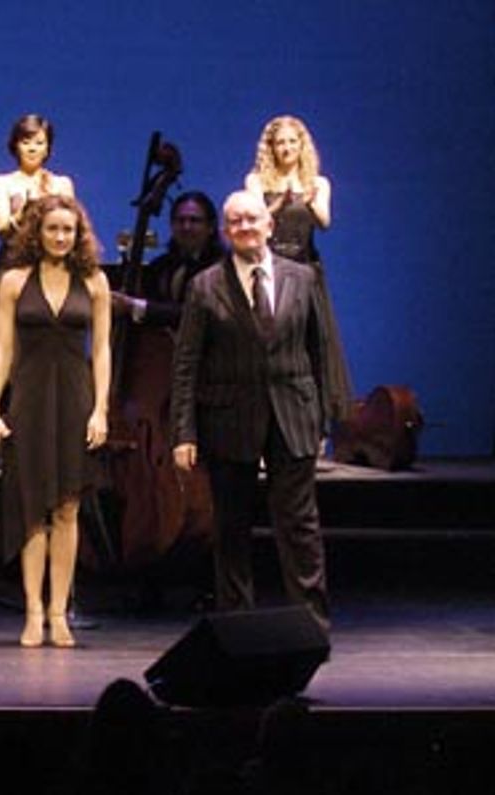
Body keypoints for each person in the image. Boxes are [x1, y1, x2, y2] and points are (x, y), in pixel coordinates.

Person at [170, 191, 331, 630]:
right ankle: (237, 629)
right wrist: (183, 432)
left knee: (300, 527)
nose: (244, 227)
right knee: (231, 530)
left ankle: (312, 627)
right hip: (229, 418)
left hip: (293, 414)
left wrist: (322, 419)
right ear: (225, 231)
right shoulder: (205, 286)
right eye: (235, 222)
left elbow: (319, 351)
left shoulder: (303, 278)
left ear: (269, 225)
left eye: (252, 219)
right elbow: (186, 363)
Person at [0, 194, 111, 648]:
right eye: (52, 228)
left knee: (68, 507)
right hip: (30, 399)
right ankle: (34, 611)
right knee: (32, 506)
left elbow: (102, 350)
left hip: (75, 398)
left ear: (78, 234)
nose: (60, 237)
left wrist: (101, 409)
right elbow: (3, 350)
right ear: (37, 232)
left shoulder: (94, 281)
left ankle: (59, 612)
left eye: (67, 230)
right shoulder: (14, 281)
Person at [245, 115, 352, 420]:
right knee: (269, 343)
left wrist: (310, 201)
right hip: (270, 270)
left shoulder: (318, 182)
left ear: (302, 145)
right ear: (271, 147)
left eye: (292, 141)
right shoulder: (256, 181)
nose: (287, 148)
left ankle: (313, 422)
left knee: (311, 344)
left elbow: (324, 222)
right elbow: (253, 223)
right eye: (280, 142)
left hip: (305, 269)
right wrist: (278, 205)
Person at [112, 190, 225, 328]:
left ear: (211, 227)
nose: (186, 227)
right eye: (180, 220)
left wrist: (136, 306)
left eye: (194, 220)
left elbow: (198, 314)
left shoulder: (222, 268)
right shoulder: (159, 267)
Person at [0, 114, 76, 273]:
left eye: (39, 143)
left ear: (47, 148)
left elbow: (71, 229)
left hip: (53, 266)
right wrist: (22, 214)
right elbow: (2, 231)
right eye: (25, 142)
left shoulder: (62, 184)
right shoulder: (2, 183)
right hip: (14, 265)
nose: (32, 148)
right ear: (16, 146)